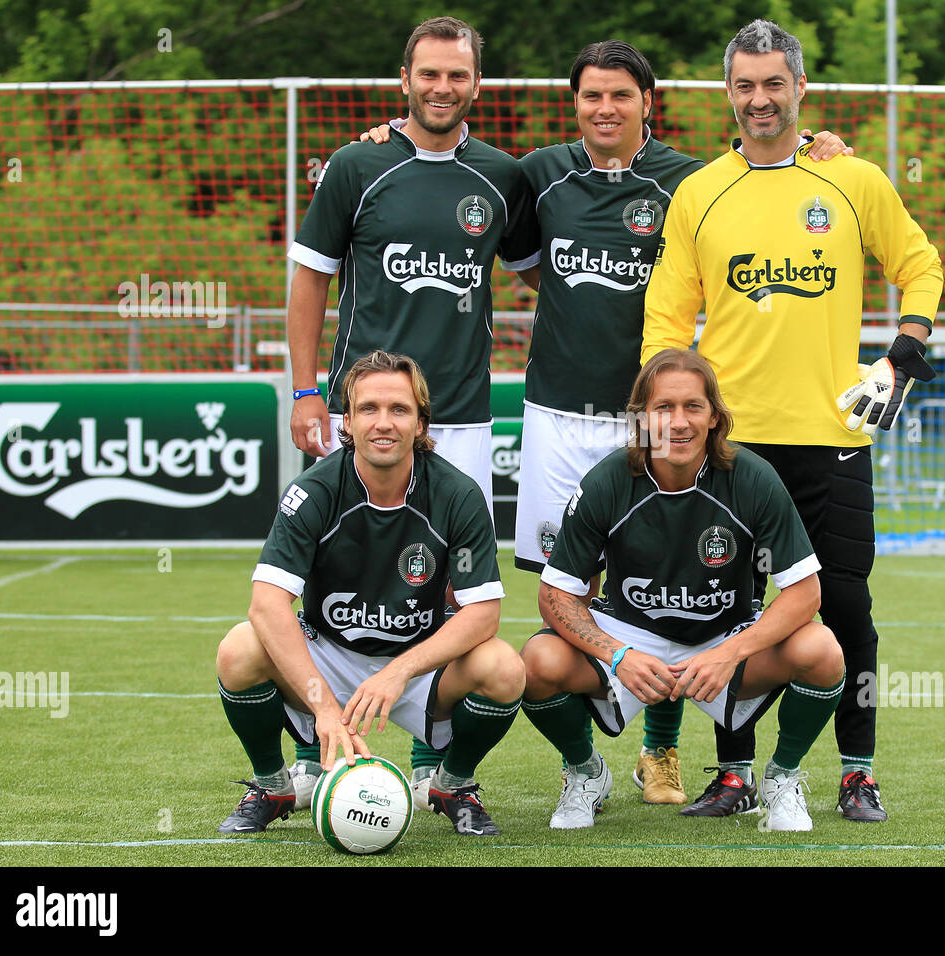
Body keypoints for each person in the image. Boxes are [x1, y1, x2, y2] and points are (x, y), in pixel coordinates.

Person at [359, 41, 850, 807]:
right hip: (558, 416)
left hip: (660, 423)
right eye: (591, 96)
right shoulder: (539, 174)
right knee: (560, 594)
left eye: (621, 95)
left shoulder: (689, 177)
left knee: (675, 571)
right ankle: (561, 766)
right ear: (575, 103)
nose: (605, 108)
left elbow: (758, 164)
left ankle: (660, 752)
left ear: (647, 101)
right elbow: (481, 211)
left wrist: (819, 148)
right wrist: (392, 135)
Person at [642, 19, 944, 821]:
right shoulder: (700, 193)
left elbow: (920, 265)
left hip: (833, 441)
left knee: (845, 608)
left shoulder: (853, 182)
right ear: (728, 93)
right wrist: (669, 419)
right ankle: (735, 774)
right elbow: (667, 318)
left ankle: (858, 771)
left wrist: (900, 355)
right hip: (734, 448)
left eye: (775, 83)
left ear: (800, 88)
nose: (760, 99)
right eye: (745, 85)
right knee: (730, 612)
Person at [283, 15, 539, 808]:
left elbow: (550, 271)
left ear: (475, 85)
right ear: (404, 80)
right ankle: (313, 743)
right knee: (330, 580)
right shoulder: (356, 166)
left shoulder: (502, 175)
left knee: (453, 599)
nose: (442, 87)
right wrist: (301, 391)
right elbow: (309, 280)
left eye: (457, 76)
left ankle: (439, 761)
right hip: (360, 416)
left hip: (459, 418)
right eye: (428, 74)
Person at [521, 348, 845, 832]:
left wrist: (731, 653)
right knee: (535, 662)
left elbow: (805, 593)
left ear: (714, 416)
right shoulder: (608, 480)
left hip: (724, 637)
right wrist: (617, 655)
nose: (678, 422)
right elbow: (556, 595)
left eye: (693, 406)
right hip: (632, 636)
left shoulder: (752, 477)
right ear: (640, 418)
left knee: (822, 650)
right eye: (663, 408)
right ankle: (586, 772)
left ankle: (782, 778)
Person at [215, 351, 524, 837]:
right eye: (369, 409)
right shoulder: (313, 491)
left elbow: (482, 614)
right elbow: (266, 604)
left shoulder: (458, 494)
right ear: (348, 421)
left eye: (399, 410)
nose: (384, 423)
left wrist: (399, 672)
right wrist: (322, 706)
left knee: (504, 668)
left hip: (416, 660)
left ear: (422, 423)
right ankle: (272, 785)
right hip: (329, 655)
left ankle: (453, 785)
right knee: (238, 649)